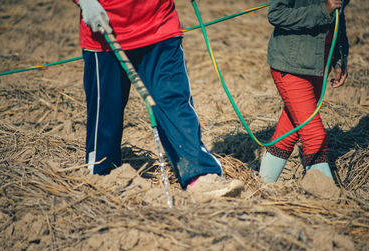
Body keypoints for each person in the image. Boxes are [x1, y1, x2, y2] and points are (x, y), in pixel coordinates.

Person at [74, 0, 244, 196]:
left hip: (159, 27)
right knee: (106, 113)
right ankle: (103, 176)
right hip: (104, 32)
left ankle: (200, 174)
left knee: (175, 104)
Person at [259, 0, 350, 183]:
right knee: (314, 133)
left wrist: (339, 59)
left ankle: (262, 188)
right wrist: (323, 9)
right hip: (292, 64)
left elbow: (339, 17)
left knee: (290, 130)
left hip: (319, 64)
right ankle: (327, 201)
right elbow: (276, 14)